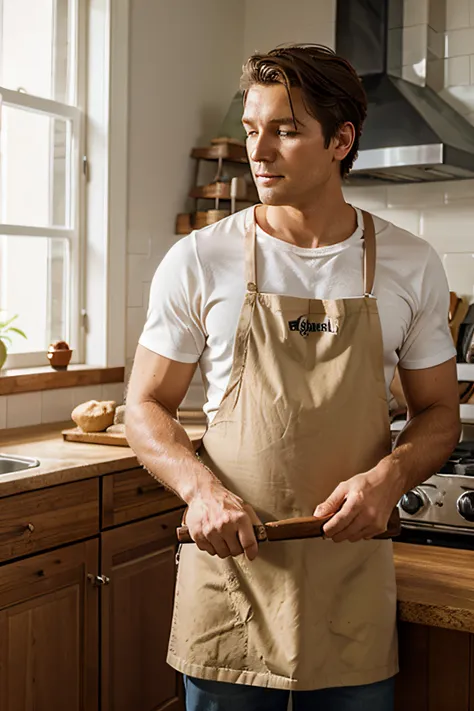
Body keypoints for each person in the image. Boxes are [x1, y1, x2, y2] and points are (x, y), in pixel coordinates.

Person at [126, 43, 460, 711]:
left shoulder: (410, 262)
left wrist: (388, 478)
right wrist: (200, 490)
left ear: (341, 140)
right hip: (230, 583)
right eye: (254, 129)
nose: (260, 151)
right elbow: (145, 405)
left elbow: (439, 413)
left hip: (350, 587)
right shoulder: (199, 259)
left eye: (285, 130)